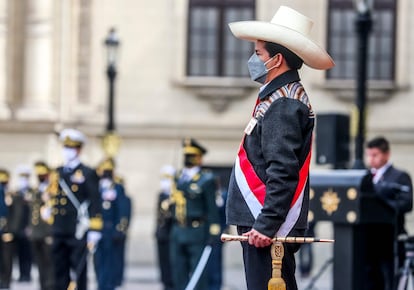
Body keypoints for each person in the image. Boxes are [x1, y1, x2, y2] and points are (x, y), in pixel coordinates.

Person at [225, 5, 334, 290]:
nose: (253, 59)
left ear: (277, 59)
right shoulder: (277, 96)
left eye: (259, 54)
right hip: (264, 219)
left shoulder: (284, 103)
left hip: (267, 224)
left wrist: (266, 223)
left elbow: (282, 171)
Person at [42, 128, 103, 290]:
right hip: (58, 228)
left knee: (79, 270)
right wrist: (47, 208)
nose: (67, 151)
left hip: (77, 230)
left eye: (71, 148)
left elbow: (95, 201)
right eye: (65, 147)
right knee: (58, 269)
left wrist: (95, 229)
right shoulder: (58, 172)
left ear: (79, 150)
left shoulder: (87, 173)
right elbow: (52, 195)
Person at [170, 138, 221, 290]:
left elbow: (212, 207)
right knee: (178, 271)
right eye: (186, 156)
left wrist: (214, 230)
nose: (188, 159)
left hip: (197, 230)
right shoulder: (178, 178)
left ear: (199, 158)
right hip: (178, 229)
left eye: (192, 156)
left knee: (199, 273)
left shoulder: (206, 179)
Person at [362, 136, 413, 290]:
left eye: (375, 155)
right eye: (369, 155)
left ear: (386, 154)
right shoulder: (364, 177)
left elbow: (406, 203)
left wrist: (382, 201)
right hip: (369, 239)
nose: (371, 159)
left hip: (390, 239)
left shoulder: (399, 176)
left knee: (390, 280)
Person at [93, 157, 129, 290]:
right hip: (98, 229)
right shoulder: (97, 187)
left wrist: (120, 228)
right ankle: (100, 284)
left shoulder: (117, 188)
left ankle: (108, 286)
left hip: (110, 228)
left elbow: (122, 209)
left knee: (110, 260)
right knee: (98, 260)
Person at [27, 161, 55, 290]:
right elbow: (32, 212)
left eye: (43, 174)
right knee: (39, 262)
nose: (40, 177)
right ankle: (43, 285)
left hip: (48, 232)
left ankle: (50, 286)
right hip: (36, 232)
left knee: (49, 261)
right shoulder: (35, 191)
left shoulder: (52, 191)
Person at [9, 165, 33, 283]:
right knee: (16, 253)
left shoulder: (33, 192)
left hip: (28, 227)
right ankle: (19, 274)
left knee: (26, 253)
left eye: (25, 178)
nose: (23, 180)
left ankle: (26, 274)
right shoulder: (15, 193)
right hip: (16, 228)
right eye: (21, 178)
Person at [155, 164, 175, 290]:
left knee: (172, 263)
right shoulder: (161, 195)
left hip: (171, 235)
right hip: (161, 234)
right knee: (163, 264)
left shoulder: (176, 196)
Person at [0, 169, 11, 289]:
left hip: (4, 228)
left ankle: (5, 280)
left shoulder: (2, 190)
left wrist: (8, 229)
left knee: (6, 256)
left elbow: (4, 211)